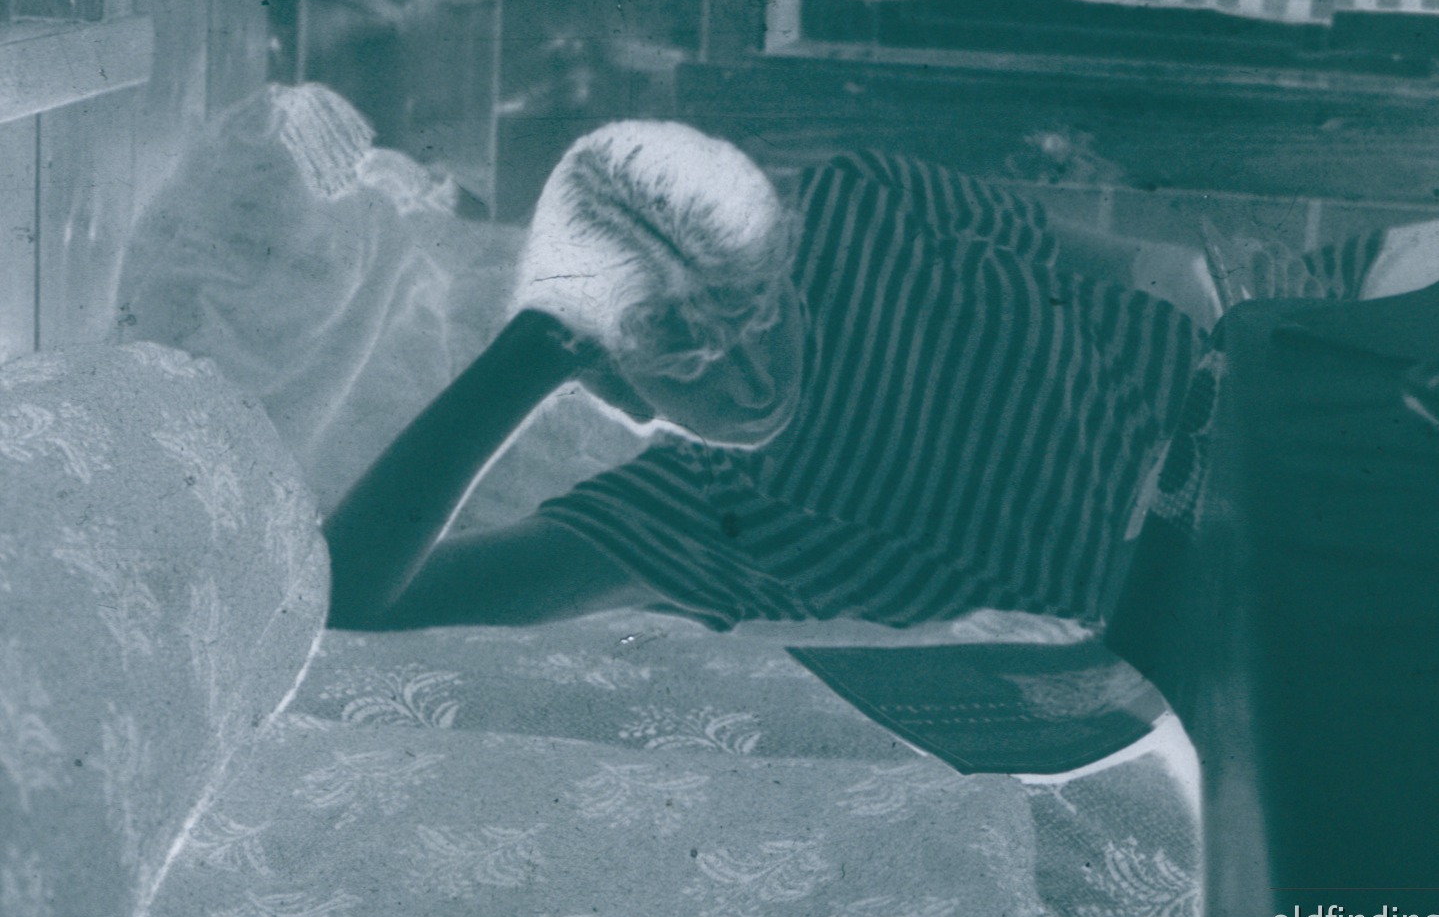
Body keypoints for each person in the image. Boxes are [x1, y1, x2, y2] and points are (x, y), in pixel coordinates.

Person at [325, 121, 1210, 631]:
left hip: (1243, 425)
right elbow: (350, 602)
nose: (751, 384)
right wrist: (531, 352)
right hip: (1192, 611)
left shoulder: (870, 197)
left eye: (762, 317)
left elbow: (1133, 268)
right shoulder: (696, 508)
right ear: (619, 389)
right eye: (691, 372)